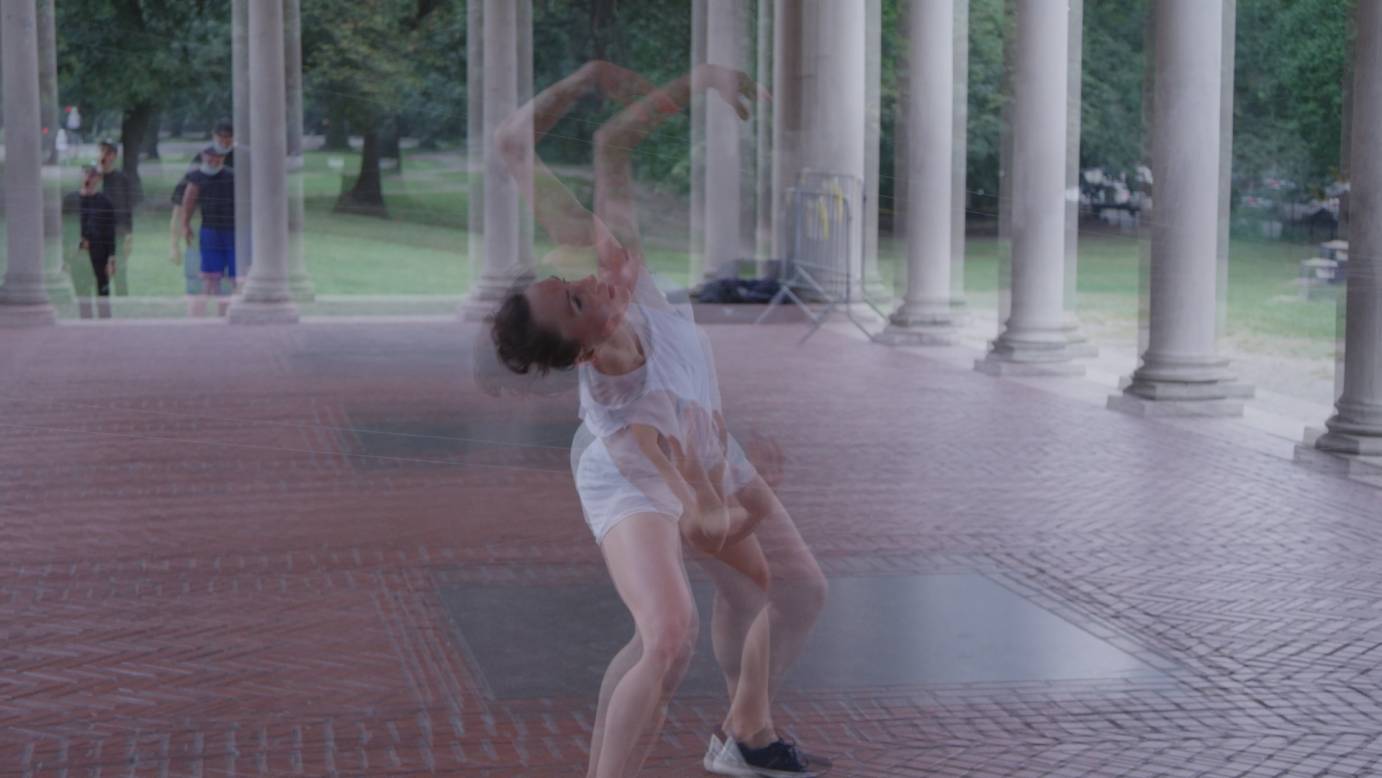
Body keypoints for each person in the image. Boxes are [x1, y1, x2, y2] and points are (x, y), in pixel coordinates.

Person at [486, 61, 830, 778]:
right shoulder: (626, 420)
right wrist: (723, 504)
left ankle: (746, 734)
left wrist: (689, 80)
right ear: (581, 353)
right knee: (668, 635)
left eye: (570, 279)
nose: (585, 276)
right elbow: (695, 511)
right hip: (638, 475)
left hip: (702, 441)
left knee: (795, 592)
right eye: (576, 299)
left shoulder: (614, 277)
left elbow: (610, 144)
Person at [170, 121, 236, 312]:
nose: (224, 141)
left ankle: (225, 320)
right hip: (204, 231)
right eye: (220, 136)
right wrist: (178, 234)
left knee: (233, 281)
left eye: (228, 137)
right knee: (201, 282)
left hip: (232, 231)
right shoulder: (199, 163)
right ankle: (198, 325)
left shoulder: (241, 161)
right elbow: (183, 198)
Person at [76, 165, 118, 319]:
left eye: (93, 175)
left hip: (100, 252)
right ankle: (85, 322)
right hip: (79, 254)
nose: (89, 178)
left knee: (103, 288)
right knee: (82, 289)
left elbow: (110, 232)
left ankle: (105, 323)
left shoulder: (105, 202)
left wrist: (111, 257)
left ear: (99, 179)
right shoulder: (74, 200)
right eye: (86, 174)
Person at [97, 140, 135, 297]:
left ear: (114, 156)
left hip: (118, 231)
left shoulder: (122, 179)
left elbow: (127, 209)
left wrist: (129, 234)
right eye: (101, 151)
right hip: (98, 233)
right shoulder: (95, 178)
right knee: (99, 271)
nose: (104, 156)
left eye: (107, 153)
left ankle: (122, 301)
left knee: (120, 270)